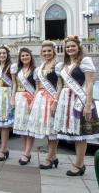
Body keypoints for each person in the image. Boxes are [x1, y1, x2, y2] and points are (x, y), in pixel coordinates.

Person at [54, 35, 99, 176]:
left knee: (81, 134)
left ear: (78, 47)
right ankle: (79, 163)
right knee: (75, 134)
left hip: (79, 101)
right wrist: (56, 102)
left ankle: (79, 165)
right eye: (67, 47)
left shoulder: (84, 61)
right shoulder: (64, 66)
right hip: (66, 101)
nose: (70, 49)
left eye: (72, 46)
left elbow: (88, 84)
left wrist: (87, 105)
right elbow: (60, 85)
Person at [28, 41, 61, 169]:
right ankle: (54, 156)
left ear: (53, 51)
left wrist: (56, 101)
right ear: (41, 53)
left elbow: (60, 86)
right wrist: (32, 102)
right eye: (44, 51)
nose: (46, 53)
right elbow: (37, 87)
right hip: (40, 99)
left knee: (52, 130)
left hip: (52, 99)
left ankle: (49, 158)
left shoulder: (58, 66)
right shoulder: (39, 68)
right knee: (48, 130)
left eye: (49, 51)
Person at [11, 47, 36, 165]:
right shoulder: (18, 70)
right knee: (21, 127)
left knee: (29, 127)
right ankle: (26, 151)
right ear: (20, 58)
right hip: (19, 98)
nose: (25, 57)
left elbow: (37, 86)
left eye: (27, 55)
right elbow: (14, 84)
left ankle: (26, 153)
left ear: (30, 56)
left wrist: (34, 101)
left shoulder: (35, 70)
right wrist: (12, 97)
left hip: (30, 98)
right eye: (22, 56)